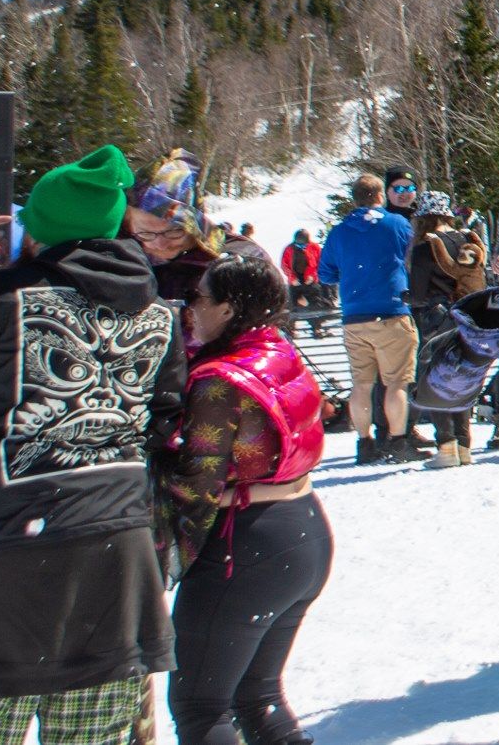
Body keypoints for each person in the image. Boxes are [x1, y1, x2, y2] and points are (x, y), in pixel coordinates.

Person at [0, 146, 183, 745]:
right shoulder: (160, 316)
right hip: (118, 571)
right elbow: (164, 423)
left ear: (39, 231)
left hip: (3, 567)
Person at [156, 256, 331, 745]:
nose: (190, 308)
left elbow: (197, 486)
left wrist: (161, 560)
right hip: (303, 533)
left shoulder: (220, 380)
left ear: (229, 309)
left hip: (245, 546)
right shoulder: (278, 351)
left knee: (201, 709)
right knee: (258, 698)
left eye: (199, 297)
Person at [321, 171, 421, 464]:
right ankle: (399, 442)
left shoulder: (338, 232)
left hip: (354, 316)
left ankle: (364, 444)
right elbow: (413, 257)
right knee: (396, 383)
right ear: (380, 195)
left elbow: (326, 273)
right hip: (391, 312)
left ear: (354, 199)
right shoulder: (397, 224)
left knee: (362, 385)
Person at [408, 191, 488, 468]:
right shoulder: (468, 240)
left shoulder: (425, 248)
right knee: (462, 379)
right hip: (469, 319)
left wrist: (406, 298)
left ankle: (446, 446)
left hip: (437, 322)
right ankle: (464, 446)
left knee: (435, 381)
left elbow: (418, 294)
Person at [128, 148, 224, 307]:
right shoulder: (114, 256)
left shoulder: (226, 264)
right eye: (145, 232)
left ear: (196, 226)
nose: (159, 244)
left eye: (174, 231)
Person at [280, 227, 322, 308]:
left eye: (304, 245)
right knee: (294, 303)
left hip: (310, 280)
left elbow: (319, 263)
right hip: (295, 279)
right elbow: (284, 265)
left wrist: (312, 276)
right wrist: (292, 278)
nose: (302, 248)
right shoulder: (289, 249)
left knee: (315, 302)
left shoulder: (315, 247)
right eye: (298, 245)